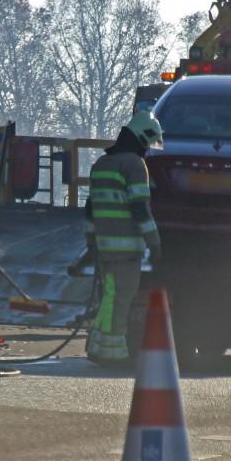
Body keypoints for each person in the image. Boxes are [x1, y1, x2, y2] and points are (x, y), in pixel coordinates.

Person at [84, 109, 163, 366]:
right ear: (142, 138)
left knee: (109, 297)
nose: (149, 150)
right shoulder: (134, 165)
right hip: (127, 249)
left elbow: (89, 209)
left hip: (105, 247)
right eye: (149, 143)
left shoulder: (102, 164)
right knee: (120, 301)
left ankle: (99, 346)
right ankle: (114, 353)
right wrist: (155, 243)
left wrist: (90, 244)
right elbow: (140, 207)